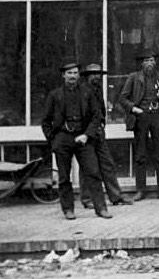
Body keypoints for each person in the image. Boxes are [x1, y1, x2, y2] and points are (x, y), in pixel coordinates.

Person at [41, 61, 111, 219]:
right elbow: (45, 121)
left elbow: (96, 116)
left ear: (79, 75)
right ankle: (68, 209)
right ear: (63, 75)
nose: (72, 76)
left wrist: (87, 135)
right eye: (69, 73)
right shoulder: (55, 95)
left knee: (93, 173)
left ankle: (101, 208)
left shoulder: (87, 93)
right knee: (64, 177)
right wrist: (54, 140)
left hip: (83, 137)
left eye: (75, 73)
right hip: (63, 138)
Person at [118, 52, 159, 202]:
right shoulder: (134, 77)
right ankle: (140, 190)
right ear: (141, 64)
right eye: (146, 60)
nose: (150, 63)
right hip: (141, 117)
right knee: (140, 155)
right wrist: (133, 108)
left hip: (157, 116)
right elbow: (122, 98)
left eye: (152, 60)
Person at [79, 64, 133, 209]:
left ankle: (115, 196)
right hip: (86, 133)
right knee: (87, 168)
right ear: (87, 76)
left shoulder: (97, 90)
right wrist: (86, 132)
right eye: (93, 74)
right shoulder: (82, 92)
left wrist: (101, 125)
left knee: (107, 164)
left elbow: (99, 112)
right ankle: (87, 198)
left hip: (98, 133)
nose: (96, 77)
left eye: (98, 74)